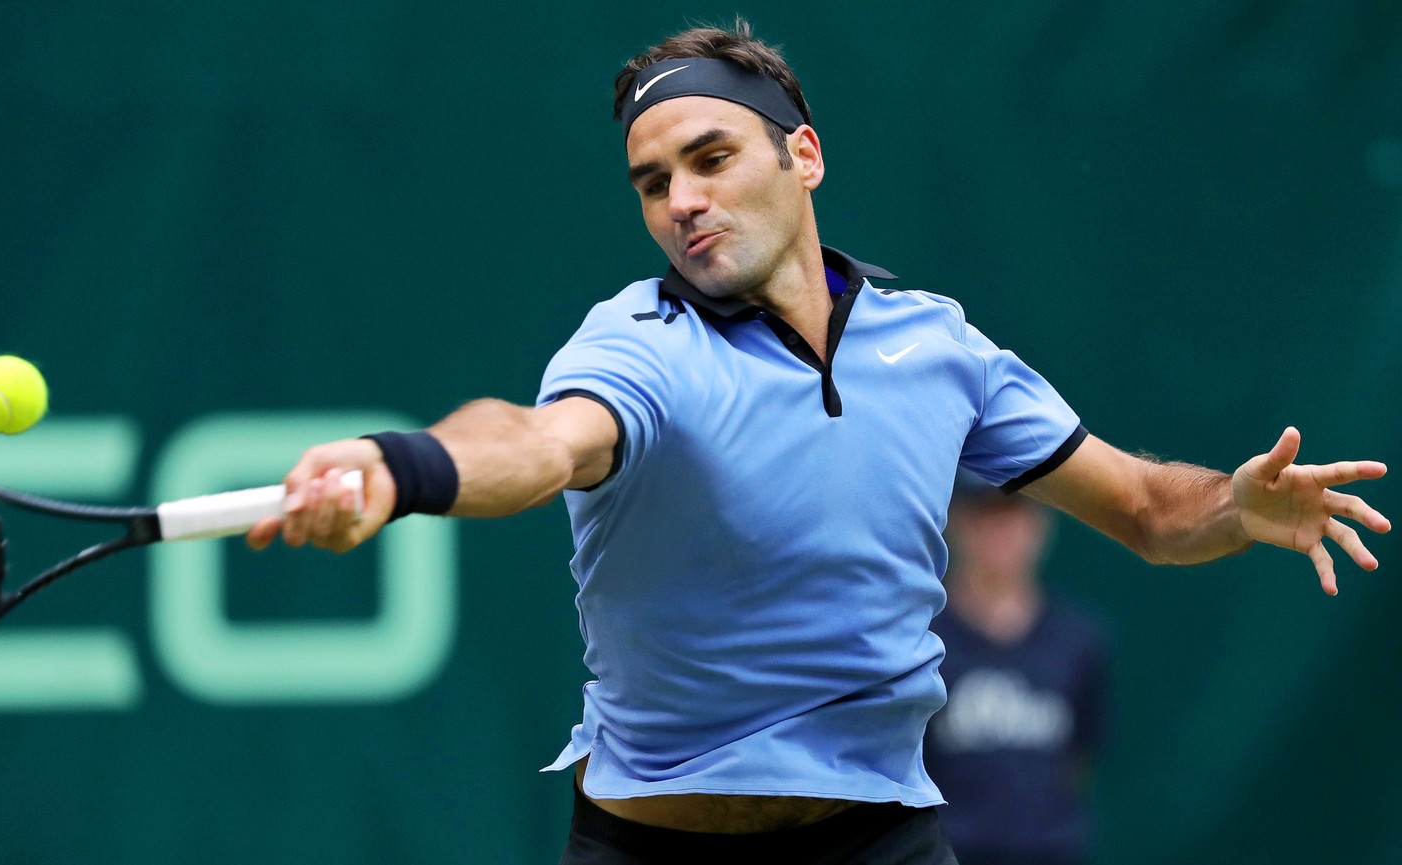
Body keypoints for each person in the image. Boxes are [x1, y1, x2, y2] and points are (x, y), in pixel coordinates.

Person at [245, 20, 1389, 865]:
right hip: (653, 848)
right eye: (652, 183)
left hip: (880, 843)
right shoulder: (641, 345)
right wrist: (400, 469)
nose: (680, 200)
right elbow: (533, 444)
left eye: (710, 158)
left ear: (804, 157)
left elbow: (1145, 508)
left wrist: (1233, 507)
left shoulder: (937, 347)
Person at [925, 476, 1109, 865]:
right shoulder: (922, 642)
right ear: (957, 523)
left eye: (1013, 513)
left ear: (1040, 523)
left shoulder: (1076, 640)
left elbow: (1080, 760)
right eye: (985, 515)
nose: (1001, 532)